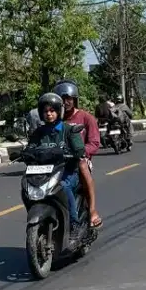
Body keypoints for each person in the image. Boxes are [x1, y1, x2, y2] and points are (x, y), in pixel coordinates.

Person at [27, 92, 96, 243]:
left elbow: (79, 149)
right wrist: (24, 154)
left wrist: (76, 152)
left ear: (59, 111)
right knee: (26, 187)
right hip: (45, 173)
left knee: (63, 187)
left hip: (68, 171)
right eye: (45, 111)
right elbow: (30, 148)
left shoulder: (68, 130)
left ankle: (74, 224)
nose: (49, 114)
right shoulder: (38, 133)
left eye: (52, 111)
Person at [52, 79, 102, 228]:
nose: (66, 102)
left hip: (80, 158)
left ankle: (93, 211)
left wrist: (80, 152)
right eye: (62, 99)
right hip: (58, 160)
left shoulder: (86, 118)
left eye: (69, 99)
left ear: (74, 100)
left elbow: (94, 143)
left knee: (82, 166)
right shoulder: (55, 119)